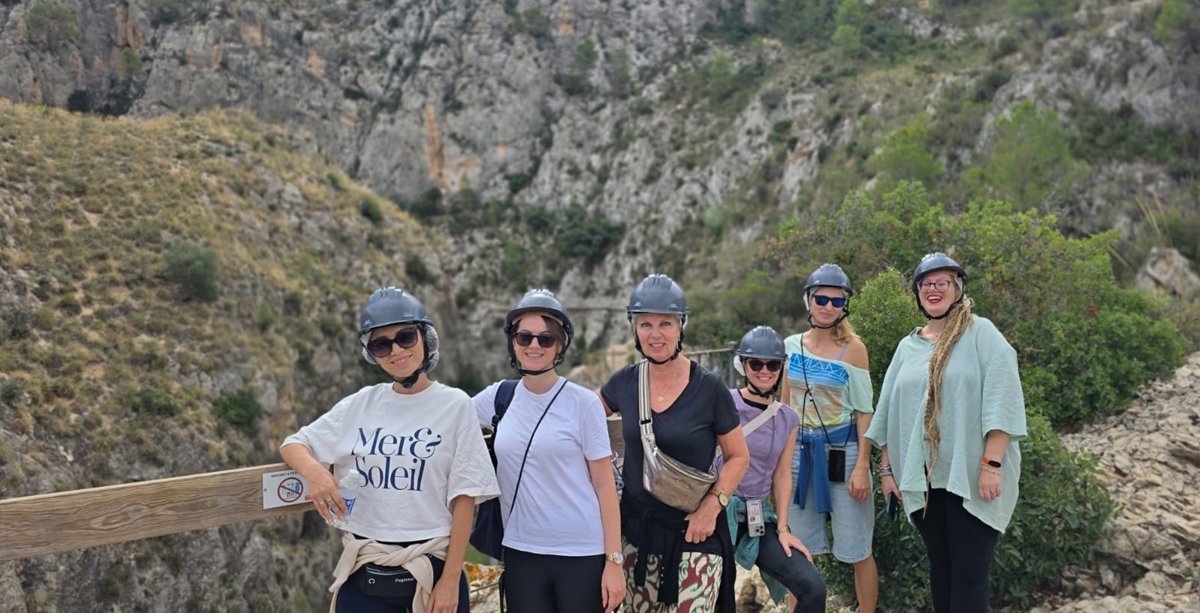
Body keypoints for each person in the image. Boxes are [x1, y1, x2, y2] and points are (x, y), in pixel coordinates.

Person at [280, 287, 499, 613]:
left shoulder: (455, 405)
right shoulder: (361, 403)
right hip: (364, 573)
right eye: (381, 344)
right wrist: (316, 474)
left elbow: (465, 499)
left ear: (425, 337)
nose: (396, 350)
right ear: (372, 354)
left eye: (406, 337)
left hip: (430, 571)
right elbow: (294, 444)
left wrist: (451, 578)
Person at [865, 253, 1027, 613]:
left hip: (971, 475)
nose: (933, 289)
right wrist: (887, 471)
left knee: (970, 574)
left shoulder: (981, 333)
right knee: (941, 569)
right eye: (925, 284)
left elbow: (1002, 398)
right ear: (917, 293)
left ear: (957, 288)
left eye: (942, 282)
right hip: (924, 479)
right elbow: (889, 412)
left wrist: (992, 464)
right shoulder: (908, 347)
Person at [598, 273, 750, 613]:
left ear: (681, 326)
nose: (655, 334)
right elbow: (581, 415)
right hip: (638, 535)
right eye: (646, 324)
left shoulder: (710, 388)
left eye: (665, 323)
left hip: (696, 531)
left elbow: (738, 456)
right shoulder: (625, 382)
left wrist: (712, 507)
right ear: (634, 328)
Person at [473, 289, 625, 612]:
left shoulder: (583, 404)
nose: (534, 346)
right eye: (524, 337)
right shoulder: (498, 398)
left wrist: (614, 562)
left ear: (560, 345)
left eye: (545, 338)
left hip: (581, 552)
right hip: (521, 550)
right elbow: (447, 420)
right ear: (513, 341)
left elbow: (604, 486)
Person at [781, 263, 879, 613]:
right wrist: (779, 461)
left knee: (858, 547)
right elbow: (785, 406)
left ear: (845, 306)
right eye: (821, 299)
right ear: (808, 300)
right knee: (797, 548)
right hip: (799, 453)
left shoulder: (853, 349)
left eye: (837, 301)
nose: (827, 307)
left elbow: (865, 410)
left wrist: (862, 465)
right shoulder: (791, 346)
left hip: (844, 452)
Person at [721, 326, 827, 613]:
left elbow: (782, 474)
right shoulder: (725, 403)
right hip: (719, 513)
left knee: (812, 586)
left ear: (781, 368)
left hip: (758, 518)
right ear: (743, 365)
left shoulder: (787, 418)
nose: (764, 371)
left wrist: (783, 528)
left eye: (773, 364)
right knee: (720, 594)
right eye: (756, 364)